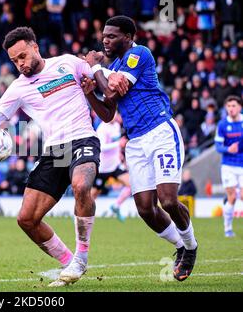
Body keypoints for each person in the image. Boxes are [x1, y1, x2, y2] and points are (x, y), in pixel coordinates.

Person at [0, 26, 127, 286]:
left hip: (83, 139)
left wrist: (106, 70)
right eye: (14, 61)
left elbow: (101, 79)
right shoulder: (18, 89)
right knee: (26, 219)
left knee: (81, 186)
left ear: (35, 46)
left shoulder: (68, 63)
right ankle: (70, 263)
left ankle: (81, 257)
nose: (20, 64)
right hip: (55, 151)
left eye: (22, 56)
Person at [81, 16, 198, 282]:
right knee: (145, 209)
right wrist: (90, 92)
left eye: (111, 36)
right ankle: (179, 246)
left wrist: (97, 68)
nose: (105, 40)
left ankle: (190, 247)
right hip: (135, 142)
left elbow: (112, 92)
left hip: (160, 132)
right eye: (104, 36)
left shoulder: (139, 54)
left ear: (128, 36)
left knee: (168, 200)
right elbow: (109, 112)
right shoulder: (115, 67)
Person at [91, 113, 131, 222]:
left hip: (115, 165)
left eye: (116, 113)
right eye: (112, 113)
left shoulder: (117, 126)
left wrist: (120, 154)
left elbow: (116, 144)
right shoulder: (102, 129)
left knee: (132, 185)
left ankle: (116, 206)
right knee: (92, 196)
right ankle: (80, 214)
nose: (115, 115)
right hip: (103, 168)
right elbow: (102, 147)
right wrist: (118, 144)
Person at [215, 95, 243, 238]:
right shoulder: (222, 125)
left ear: (240, 107)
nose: (231, 109)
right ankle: (228, 228)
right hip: (228, 165)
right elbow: (218, 146)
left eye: (234, 106)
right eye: (229, 106)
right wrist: (227, 149)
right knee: (231, 196)